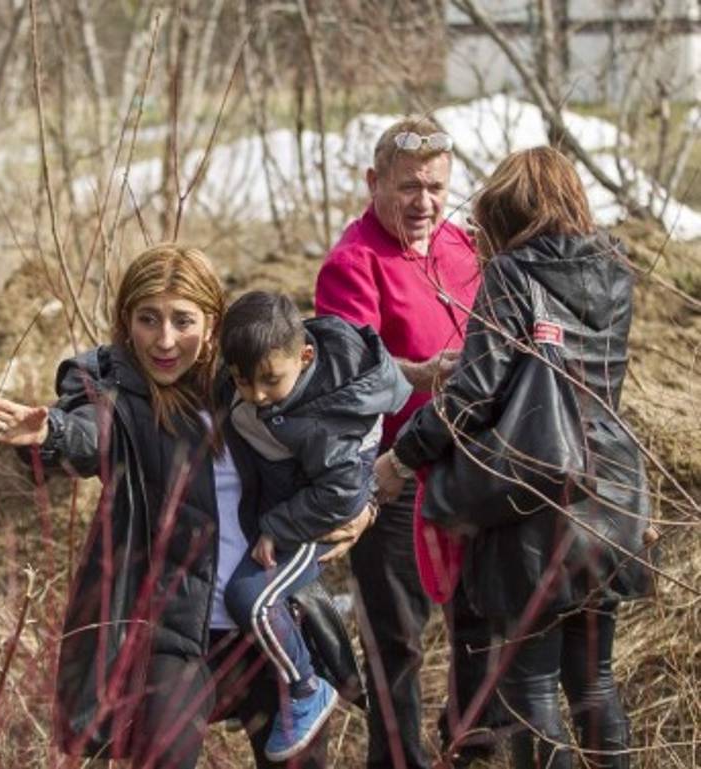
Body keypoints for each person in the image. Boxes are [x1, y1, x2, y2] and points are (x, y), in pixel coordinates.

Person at [0, 245, 368, 768]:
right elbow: (89, 431)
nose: (165, 340)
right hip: (172, 633)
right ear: (127, 322)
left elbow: (337, 433)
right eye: (148, 319)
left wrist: (362, 504)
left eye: (182, 320)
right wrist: (50, 433)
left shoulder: (251, 382)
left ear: (212, 322)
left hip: (272, 621)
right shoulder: (116, 393)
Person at [375, 146, 651, 769]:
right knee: (595, 683)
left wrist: (400, 458)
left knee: (530, 687)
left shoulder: (512, 274)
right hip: (608, 491)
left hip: (534, 499)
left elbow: (473, 394)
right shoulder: (614, 271)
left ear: (508, 213)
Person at [314, 115, 499, 768]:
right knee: (396, 640)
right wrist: (419, 374)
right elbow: (346, 374)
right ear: (373, 183)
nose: (424, 203)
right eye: (409, 187)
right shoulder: (351, 263)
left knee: (479, 625)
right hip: (393, 476)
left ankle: (468, 746)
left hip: (469, 468)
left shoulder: (463, 246)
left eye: (438, 188)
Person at [218, 291, 410, 761]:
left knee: (252, 600)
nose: (257, 395)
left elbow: (341, 495)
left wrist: (279, 527)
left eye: (269, 381)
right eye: (243, 382)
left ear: (305, 357)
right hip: (285, 509)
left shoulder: (329, 423)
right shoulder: (266, 373)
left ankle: (305, 690)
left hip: (312, 523)